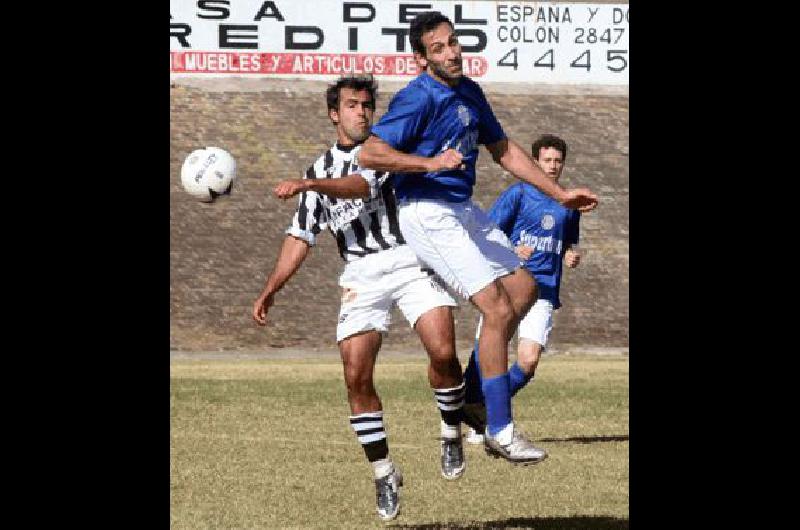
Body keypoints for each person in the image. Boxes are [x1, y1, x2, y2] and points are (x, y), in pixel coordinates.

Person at [356, 11, 598, 465]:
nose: (451, 53)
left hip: (462, 209)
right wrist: (429, 164)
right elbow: (370, 152)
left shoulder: (470, 92)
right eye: (439, 48)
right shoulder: (418, 97)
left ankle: (469, 394)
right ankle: (500, 429)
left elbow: (504, 151)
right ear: (421, 59)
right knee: (496, 305)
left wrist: (561, 195)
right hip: (427, 212)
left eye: (453, 43)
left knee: (524, 286)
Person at [252, 75, 467, 523]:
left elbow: (361, 187)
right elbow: (299, 239)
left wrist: (309, 187)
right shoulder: (316, 172)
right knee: (355, 374)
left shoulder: (381, 153)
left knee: (444, 351)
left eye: (367, 105)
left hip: (409, 260)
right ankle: (384, 472)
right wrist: (270, 290)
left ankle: (450, 430)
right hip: (362, 274)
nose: (362, 112)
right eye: (352, 105)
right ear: (335, 114)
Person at [463, 134, 582, 444]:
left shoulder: (568, 204)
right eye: (547, 160)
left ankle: (485, 413)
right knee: (487, 353)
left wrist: (569, 252)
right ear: (534, 162)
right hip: (510, 286)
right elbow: (485, 233)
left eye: (558, 161)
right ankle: (475, 416)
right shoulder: (518, 194)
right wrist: (513, 249)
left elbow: (568, 239)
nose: (553, 166)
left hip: (544, 291)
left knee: (527, 362)